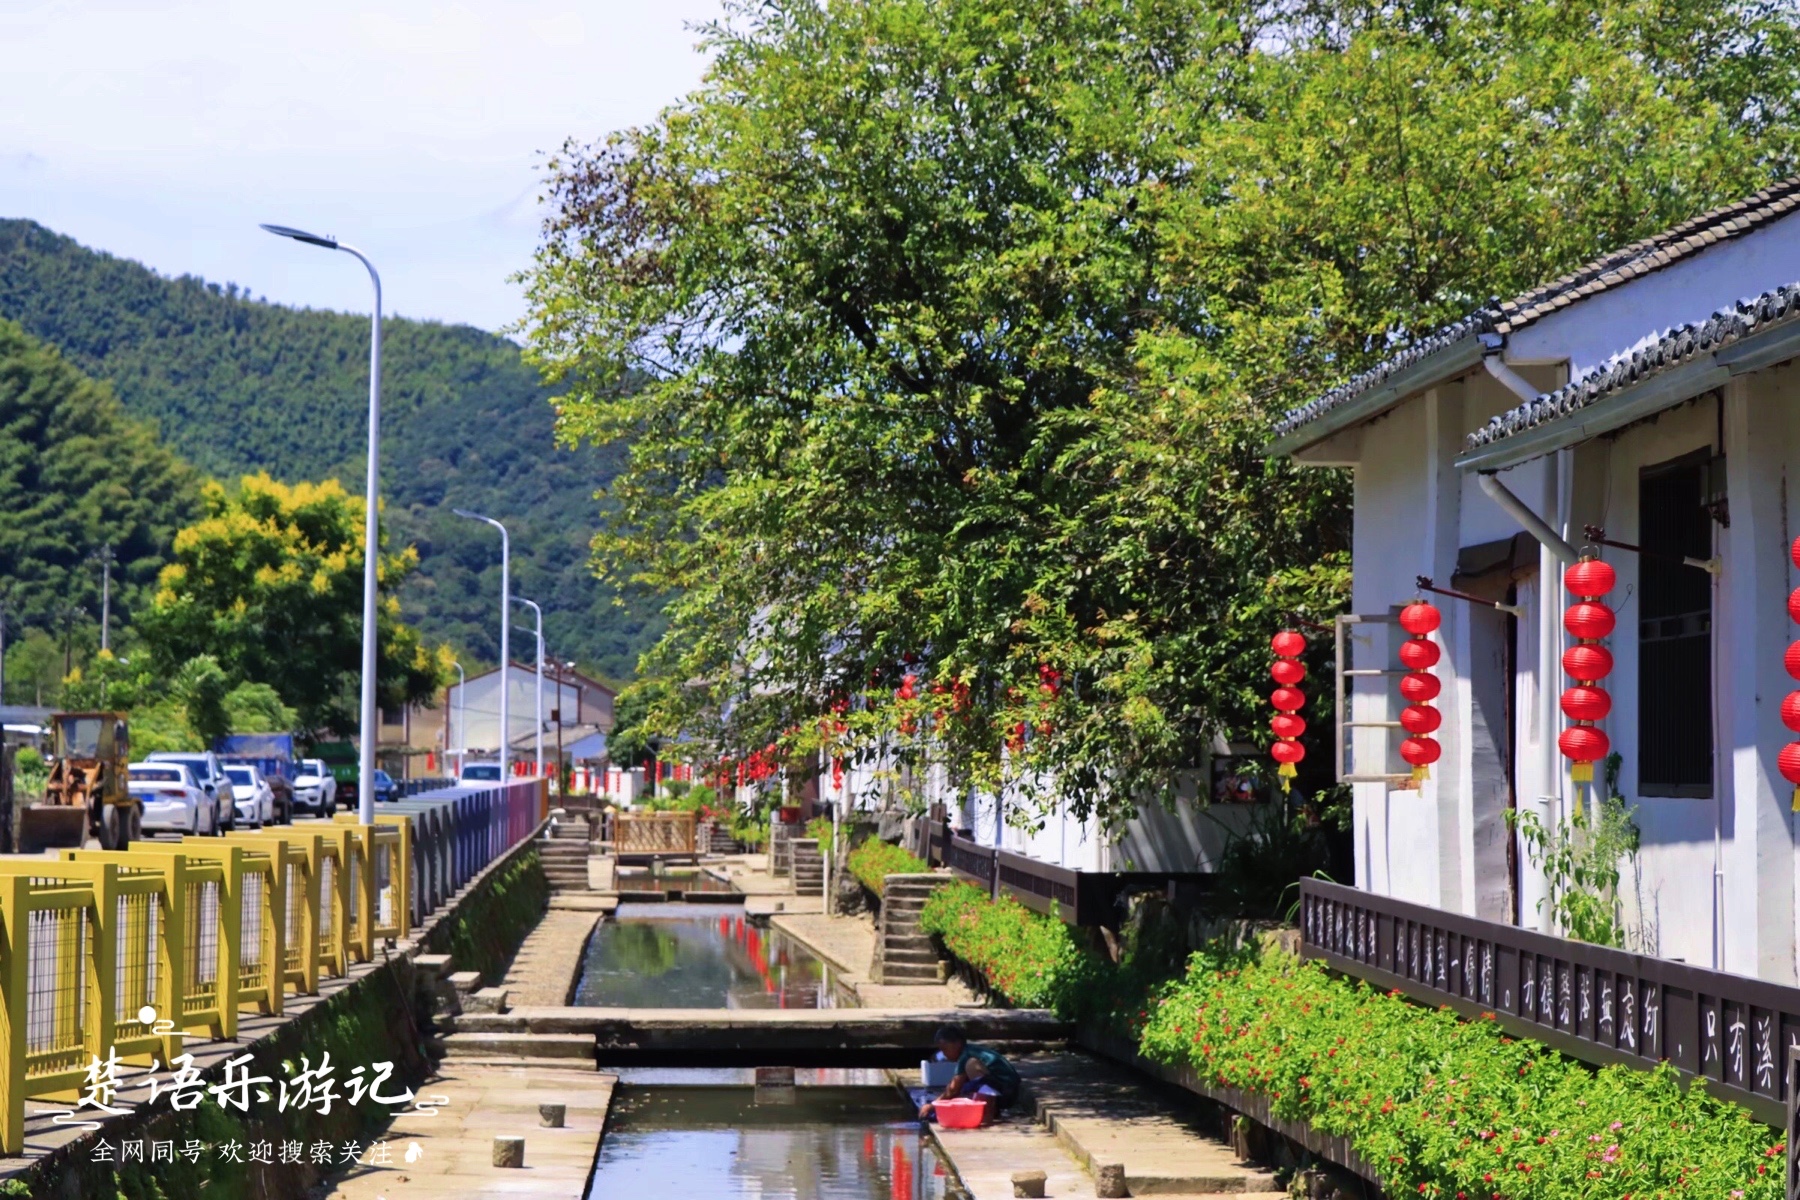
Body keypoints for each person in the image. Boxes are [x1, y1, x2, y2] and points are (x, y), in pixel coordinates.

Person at [917, 1023, 1021, 1120]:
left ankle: (988, 1112)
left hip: (1007, 1092)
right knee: (966, 1088)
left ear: (957, 1044)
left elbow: (953, 1090)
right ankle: (988, 1108)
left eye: (945, 1049)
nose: (944, 1054)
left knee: (971, 1066)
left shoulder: (966, 1056)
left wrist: (931, 1106)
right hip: (1008, 1090)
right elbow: (954, 1086)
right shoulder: (969, 1050)